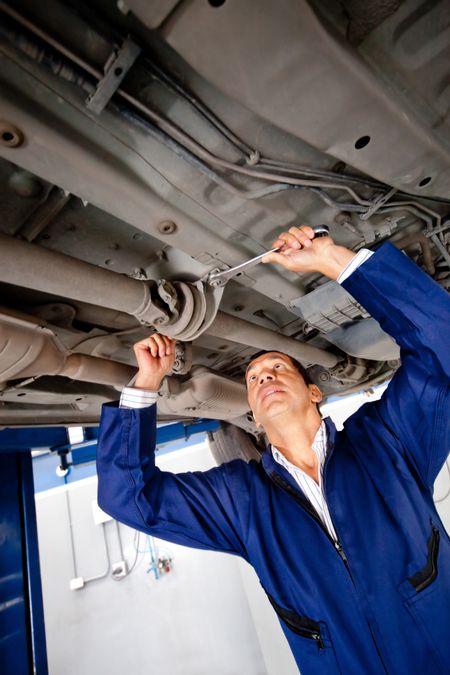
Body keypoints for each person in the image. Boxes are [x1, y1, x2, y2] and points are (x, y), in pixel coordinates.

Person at [96, 225, 450, 675]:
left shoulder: (389, 442)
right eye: (254, 379)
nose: (264, 377)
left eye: (278, 367)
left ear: (314, 392)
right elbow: (129, 498)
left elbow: (442, 351)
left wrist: (333, 261)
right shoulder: (239, 500)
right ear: (255, 419)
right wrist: (146, 382)